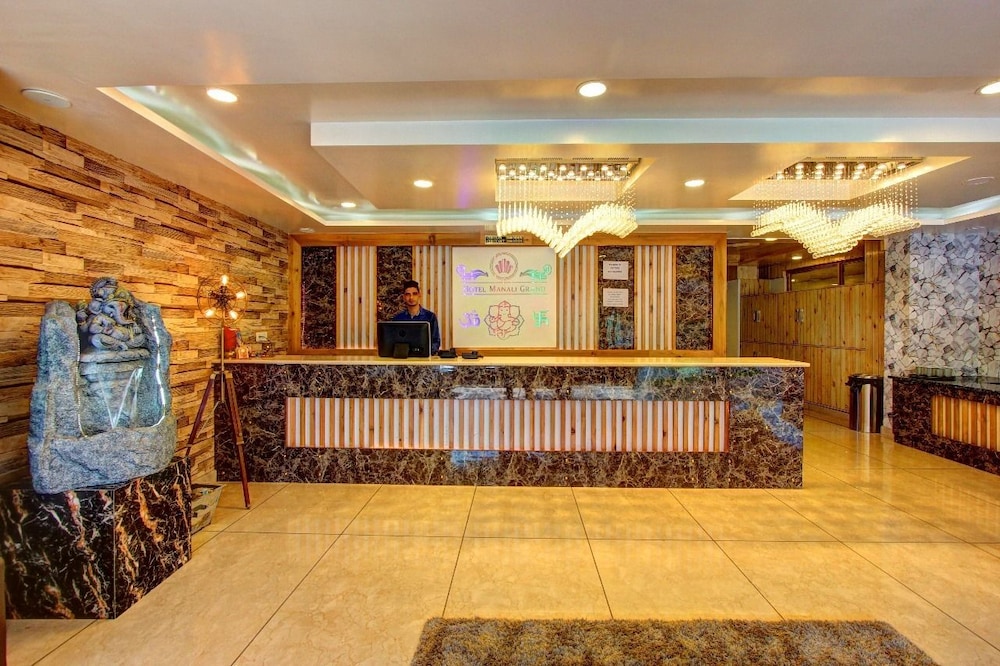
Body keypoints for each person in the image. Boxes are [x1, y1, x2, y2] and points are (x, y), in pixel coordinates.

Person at [391, 280, 441, 355]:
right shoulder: (398, 319)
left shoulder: (430, 317)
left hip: (424, 358)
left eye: (414, 294)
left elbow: (435, 341)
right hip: (404, 357)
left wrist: (426, 352)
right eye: (408, 294)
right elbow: (393, 342)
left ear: (419, 295)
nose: (411, 297)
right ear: (404, 297)